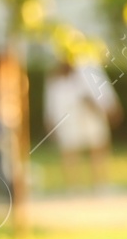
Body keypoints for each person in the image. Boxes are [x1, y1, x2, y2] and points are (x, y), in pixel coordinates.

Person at [44, 56, 121, 192]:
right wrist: (50, 122)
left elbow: (103, 88)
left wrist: (110, 106)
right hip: (68, 116)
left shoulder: (90, 67)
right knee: (70, 151)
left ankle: (101, 184)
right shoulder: (56, 76)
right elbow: (51, 100)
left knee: (97, 148)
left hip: (91, 113)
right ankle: (74, 186)